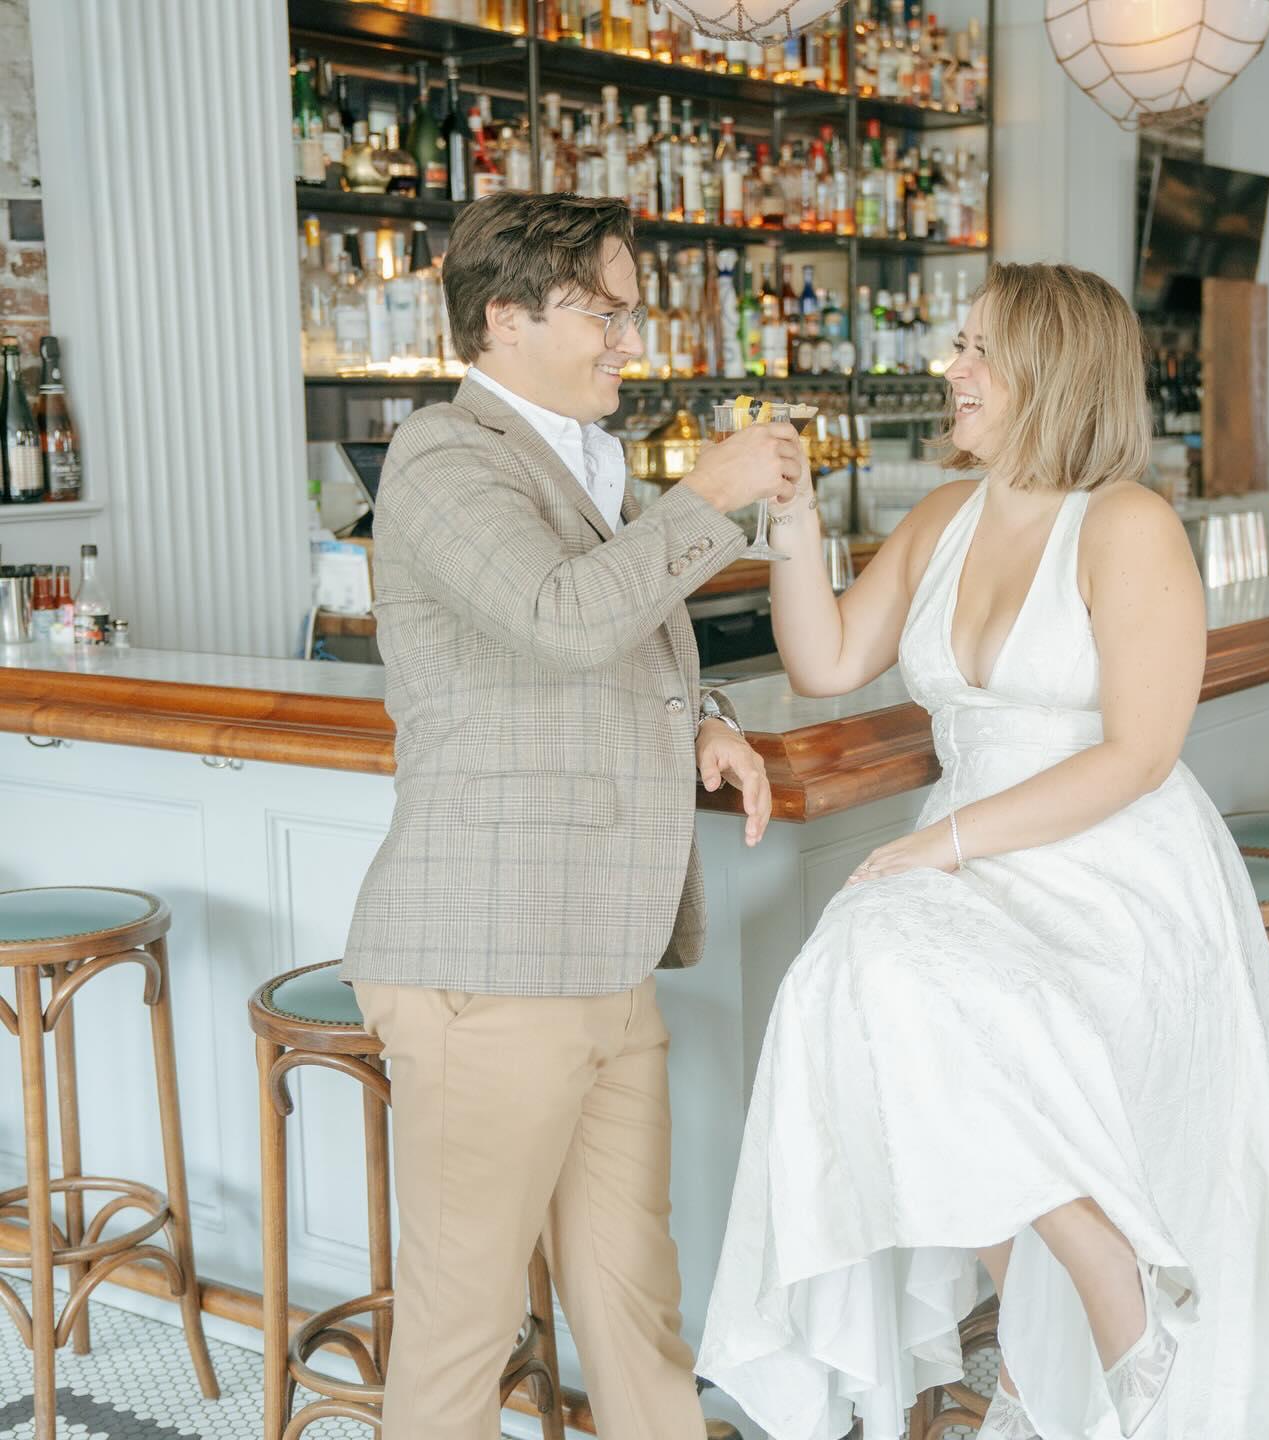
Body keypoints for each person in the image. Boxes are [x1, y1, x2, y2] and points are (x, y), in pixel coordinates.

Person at [695, 263, 1269, 1440]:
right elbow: (826, 662)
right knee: (853, 969)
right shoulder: (945, 516)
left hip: (1113, 861)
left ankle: (1085, 1318)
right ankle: (1079, 1299)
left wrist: (939, 844)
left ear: (1053, 369)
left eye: (979, 349)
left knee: (903, 970)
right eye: (960, 345)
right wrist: (790, 520)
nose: (955, 369)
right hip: (973, 855)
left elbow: (1139, 755)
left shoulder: (1129, 524)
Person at [340, 191, 805, 1440]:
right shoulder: (443, 452)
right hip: (488, 959)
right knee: (464, 1331)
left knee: (637, 1305)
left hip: (607, 951)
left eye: (629, 314)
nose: (630, 340)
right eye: (605, 313)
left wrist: (703, 720)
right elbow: (560, 618)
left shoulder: (580, 460)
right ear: (505, 317)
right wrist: (708, 493)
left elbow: (606, 644)